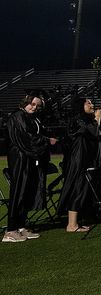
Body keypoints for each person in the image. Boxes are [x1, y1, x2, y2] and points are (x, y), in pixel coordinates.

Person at [3, 94, 56, 243]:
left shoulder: (30, 117)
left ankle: (20, 226)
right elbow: (27, 137)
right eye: (32, 104)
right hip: (20, 158)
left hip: (29, 158)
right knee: (19, 191)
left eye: (38, 106)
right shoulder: (18, 115)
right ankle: (10, 230)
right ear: (26, 102)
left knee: (26, 192)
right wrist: (47, 140)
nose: (34, 108)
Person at [58, 97, 101, 233]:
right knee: (77, 188)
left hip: (84, 158)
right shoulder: (79, 119)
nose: (92, 104)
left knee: (83, 188)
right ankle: (71, 225)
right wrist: (98, 118)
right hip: (78, 160)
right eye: (88, 103)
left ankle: (77, 221)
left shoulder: (84, 119)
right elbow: (94, 132)